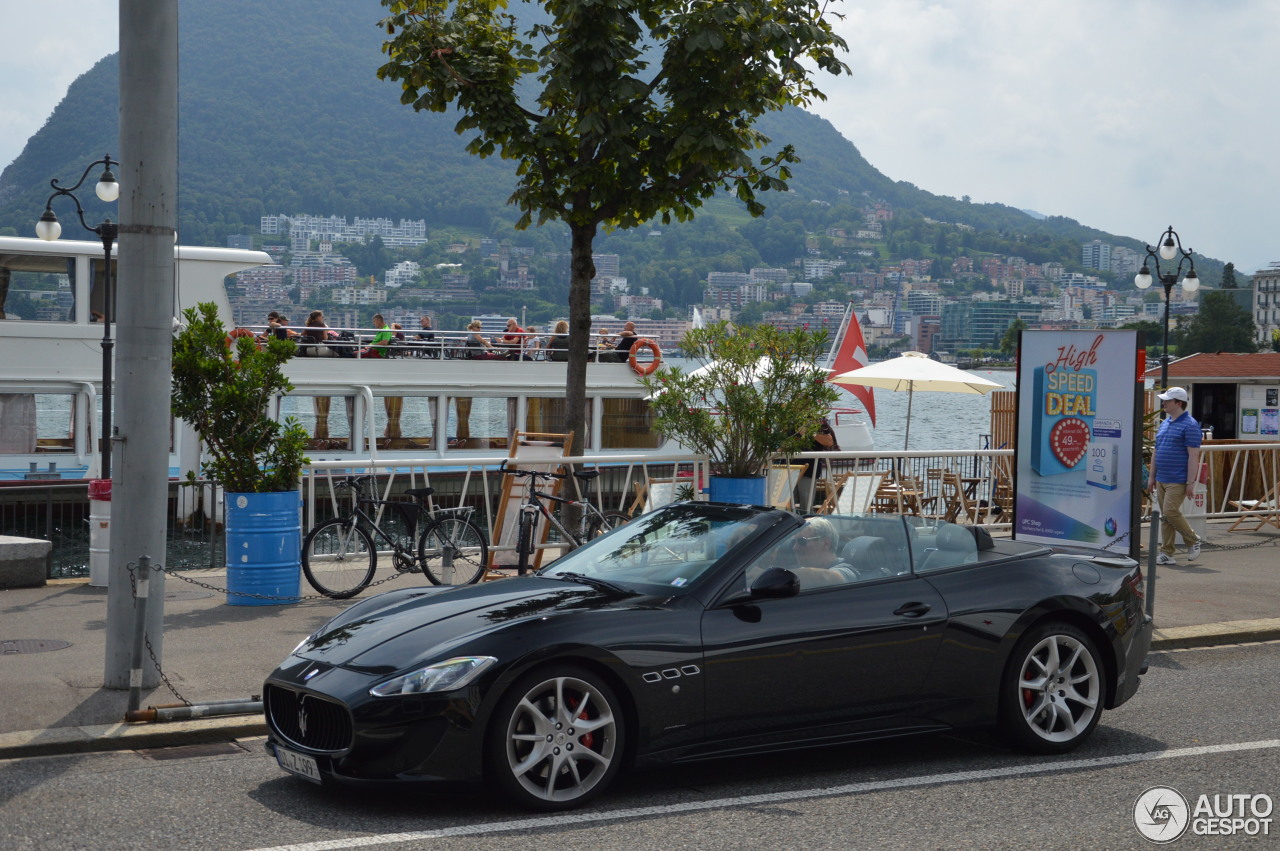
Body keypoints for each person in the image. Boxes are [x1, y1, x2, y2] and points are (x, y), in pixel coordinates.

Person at [1148, 387, 1204, 564]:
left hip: (1178, 478)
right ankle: (1167, 553)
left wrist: (1190, 482)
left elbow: (1194, 455)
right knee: (1166, 516)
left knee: (1170, 512)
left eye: (1167, 401)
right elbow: (1156, 451)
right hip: (1162, 477)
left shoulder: (1190, 425)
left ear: (1178, 403)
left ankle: (1193, 539)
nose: (1163, 403)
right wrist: (1152, 477)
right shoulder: (1165, 423)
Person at [789, 517, 856, 588]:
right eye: (793, 542)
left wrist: (783, 576)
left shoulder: (846, 569)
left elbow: (825, 577)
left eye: (801, 541)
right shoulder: (802, 570)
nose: (795, 548)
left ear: (825, 543)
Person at [794, 417, 839, 514]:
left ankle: (806, 526)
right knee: (784, 504)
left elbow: (829, 441)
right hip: (788, 469)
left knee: (806, 508)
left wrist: (810, 433)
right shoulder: (789, 419)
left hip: (809, 471)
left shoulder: (817, 422)